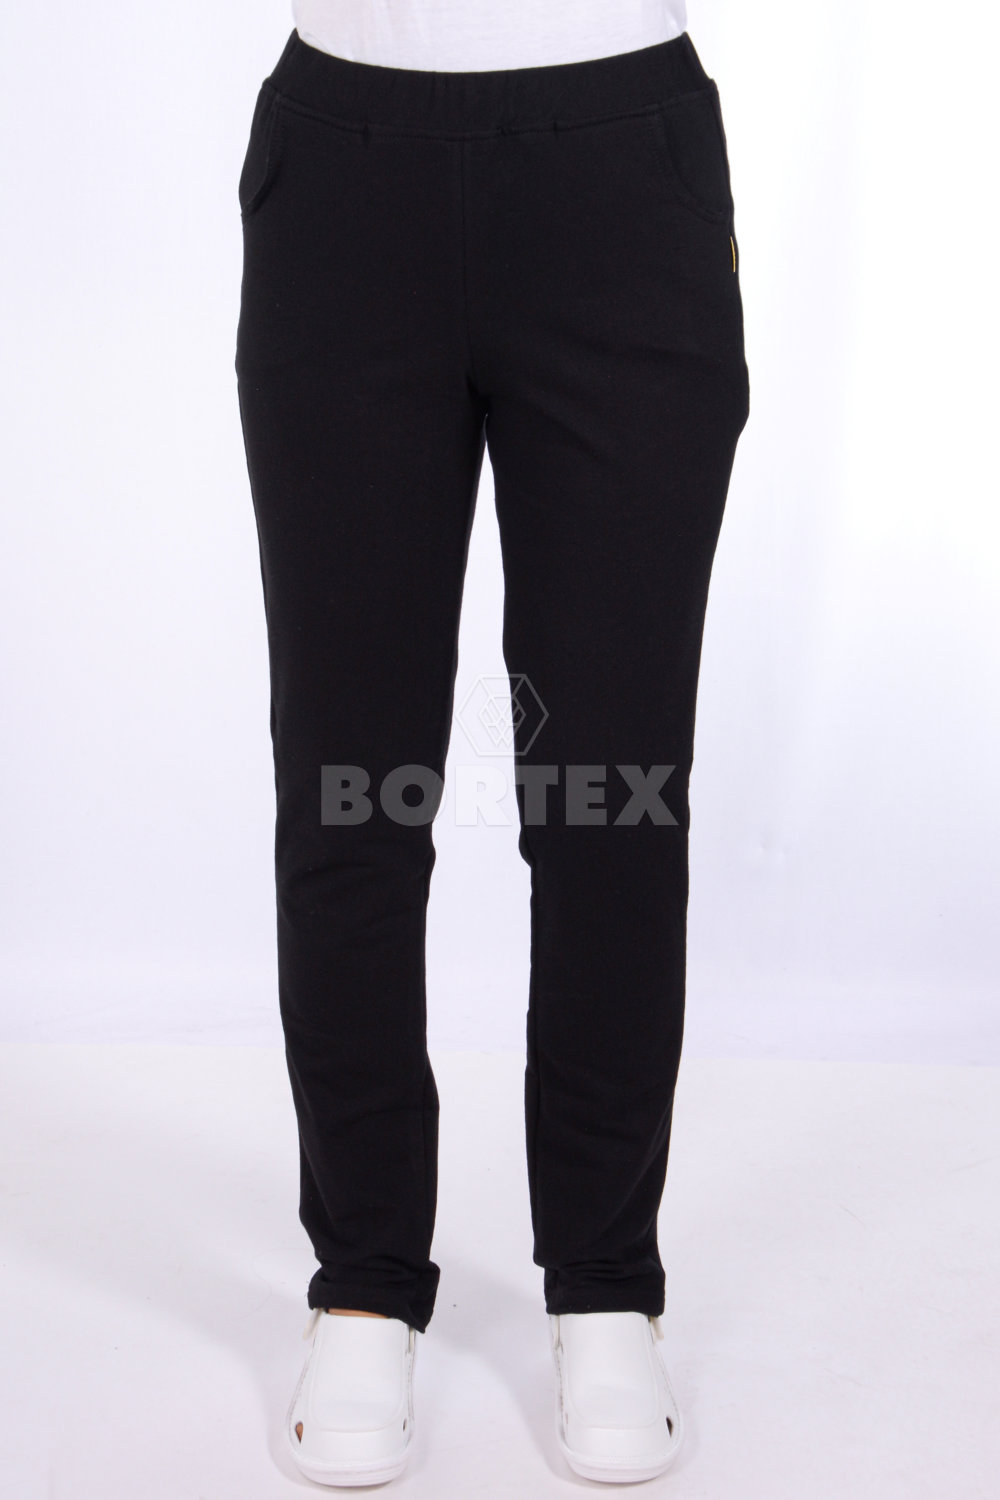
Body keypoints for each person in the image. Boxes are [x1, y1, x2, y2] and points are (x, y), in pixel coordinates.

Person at [235, 0, 749, 1485]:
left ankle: (604, 1281)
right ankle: (363, 1279)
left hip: (620, 171)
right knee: (349, 786)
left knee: (612, 795)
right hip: (347, 167)